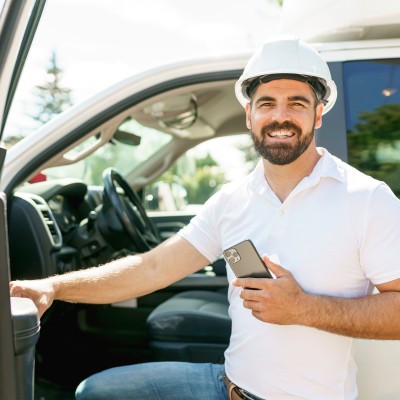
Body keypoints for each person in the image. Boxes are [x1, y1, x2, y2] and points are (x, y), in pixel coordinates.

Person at [10, 36, 400, 400]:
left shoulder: (366, 199)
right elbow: (153, 267)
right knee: (94, 392)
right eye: (267, 103)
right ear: (249, 115)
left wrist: (304, 308)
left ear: (318, 115)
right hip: (226, 385)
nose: (281, 116)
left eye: (297, 103)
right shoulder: (232, 201)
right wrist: (52, 287)